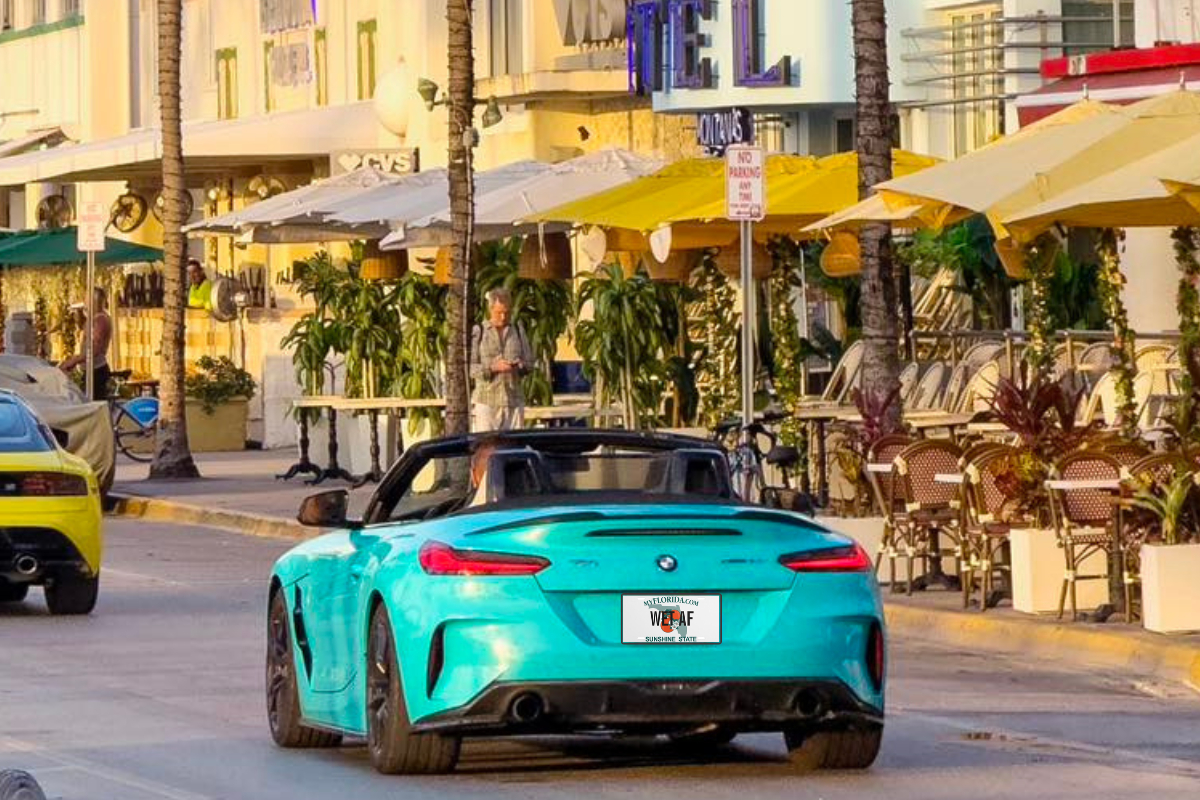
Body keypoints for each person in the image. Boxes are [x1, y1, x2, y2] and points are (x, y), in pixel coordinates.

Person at [470, 288, 534, 432]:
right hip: (487, 401)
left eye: (507, 312)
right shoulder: (479, 331)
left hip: (513, 400)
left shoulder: (517, 330)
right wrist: (493, 368)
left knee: (514, 447)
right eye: (499, 313)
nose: (503, 317)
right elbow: (470, 368)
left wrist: (520, 366)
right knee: (487, 446)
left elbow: (529, 363)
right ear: (490, 309)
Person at [58, 288, 112, 401]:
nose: (84, 301)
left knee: (94, 404)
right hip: (88, 369)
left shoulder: (100, 320)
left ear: (95, 300)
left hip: (96, 370)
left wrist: (74, 360)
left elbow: (94, 349)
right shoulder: (92, 318)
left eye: (87, 298)